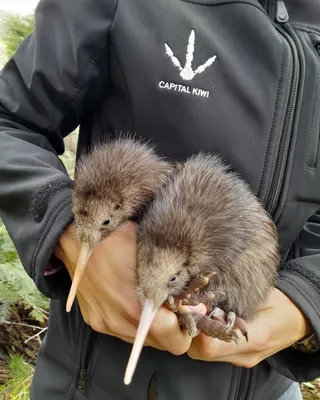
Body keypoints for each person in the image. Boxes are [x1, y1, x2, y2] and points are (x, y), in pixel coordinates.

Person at [0, 0, 319, 398]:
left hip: (269, 382)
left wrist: (306, 301)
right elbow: (9, 120)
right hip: (95, 382)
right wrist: (64, 228)